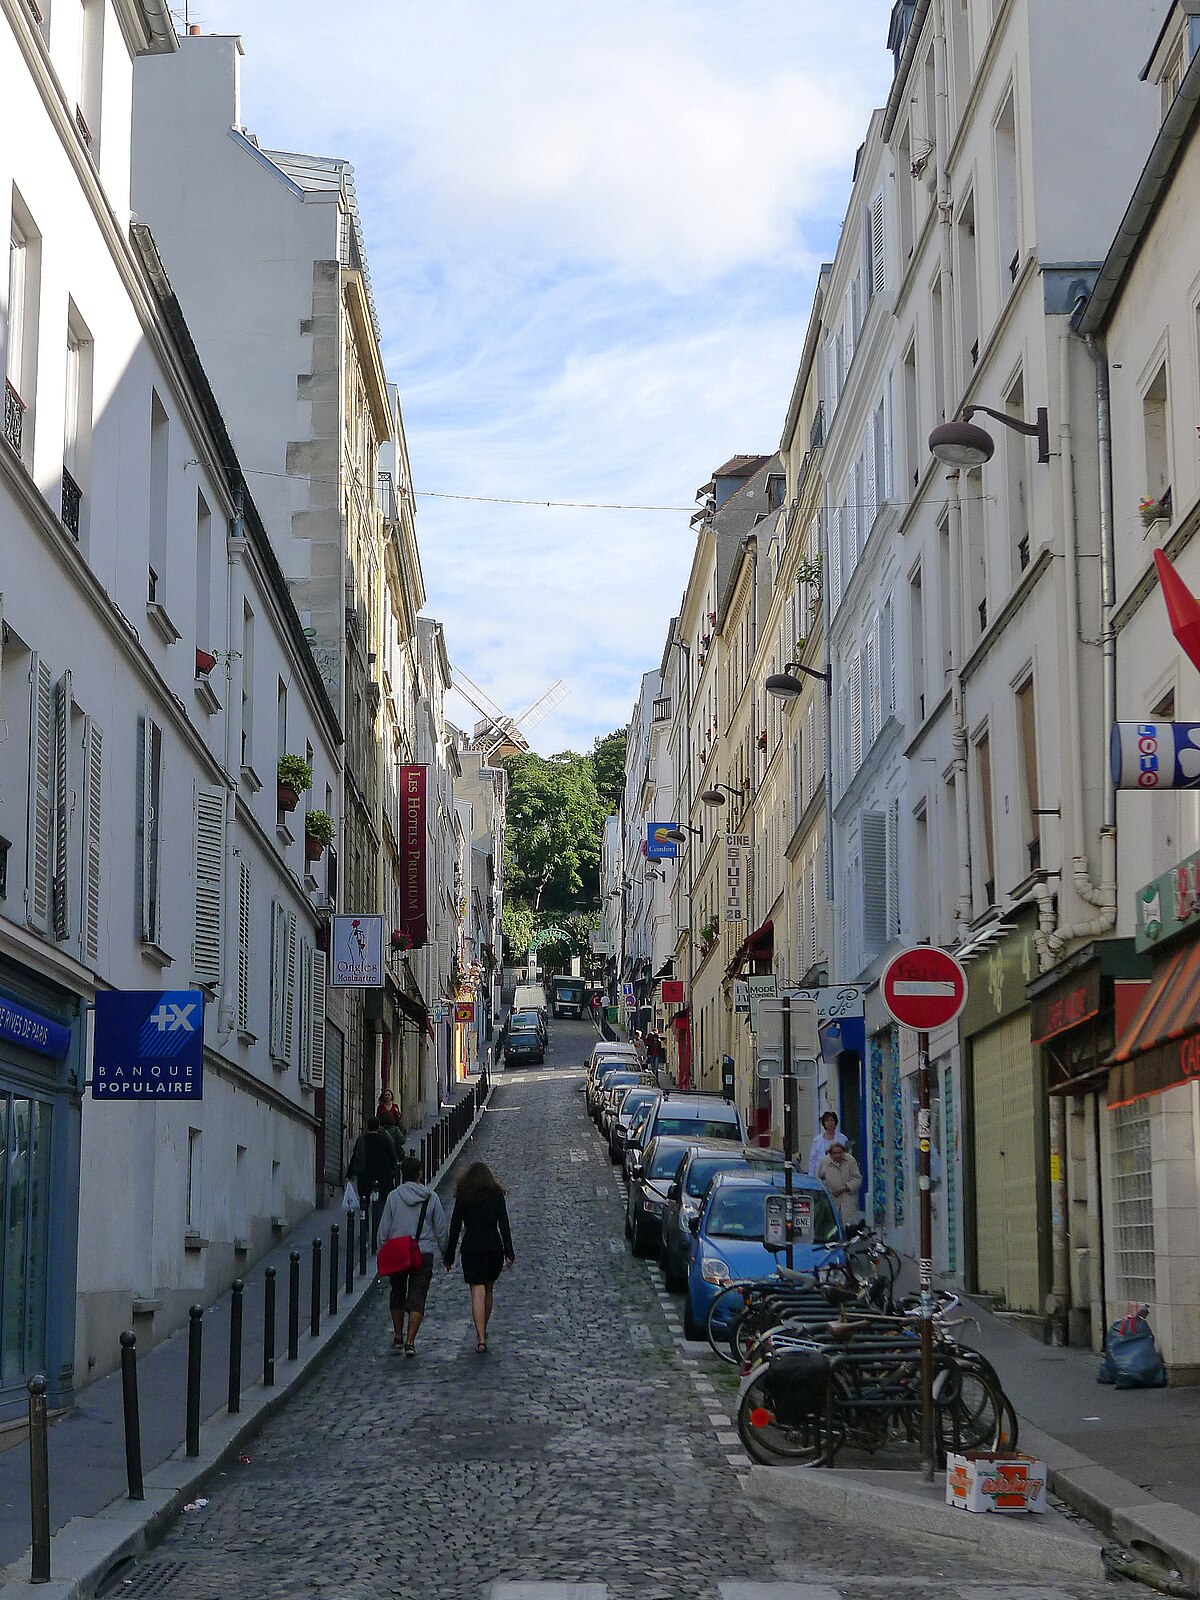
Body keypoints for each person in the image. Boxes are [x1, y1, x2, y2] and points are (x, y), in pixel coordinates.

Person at [376, 1155, 449, 1356]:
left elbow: (383, 1230)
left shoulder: (393, 1197)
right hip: (422, 1252)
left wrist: (382, 1253)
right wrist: (446, 1254)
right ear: (419, 1174)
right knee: (418, 1296)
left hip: (398, 1251)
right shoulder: (430, 1197)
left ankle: (398, 1337)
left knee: (397, 1293)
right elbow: (441, 1229)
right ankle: (410, 1341)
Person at [444, 1161, 514, 1353]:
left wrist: (448, 1256)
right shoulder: (497, 1196)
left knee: (476, 1290)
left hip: (471, 1246)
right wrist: (509, 1252)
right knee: (488, 1289)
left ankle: (481, 1336)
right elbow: (504, 1225)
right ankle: (483, 1328)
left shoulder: (464, 1197)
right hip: (493, 1246)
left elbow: (455, 1227)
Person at [347, 1118, 398, 1249]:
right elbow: (393, 1157)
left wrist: (349, 1175)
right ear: (379, 1126)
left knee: (364, 1203)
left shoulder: (362, 1140)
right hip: (382, 1177)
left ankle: (365, 1230)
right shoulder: (384, 1140)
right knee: (381, 1203)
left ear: (366, 1126)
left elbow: (355, 1157)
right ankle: (379, 1230)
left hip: (365, 1177)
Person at [817, 1138, 864, 1230]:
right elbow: (818, 1180)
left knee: (848, 1224)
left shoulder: (850, 1161)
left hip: (847, 1198)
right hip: (831, 1198)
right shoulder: (824, 1162)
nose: (838, 1155)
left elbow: (857, 1179)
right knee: (832, 1225)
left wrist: (845, 1188)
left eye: (840, 1153)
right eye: (835, 1153)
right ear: (830, 1154)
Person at [807, 1109, 841, 1178]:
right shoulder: (817, 1140)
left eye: (832, 1120)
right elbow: (813, 1160)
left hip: (838, 1173)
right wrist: (811, 1176)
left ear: (835, 1122)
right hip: (822, 1174)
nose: (830, 1123)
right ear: (824, 1123)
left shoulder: (842, 1139)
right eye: (827, 1121)